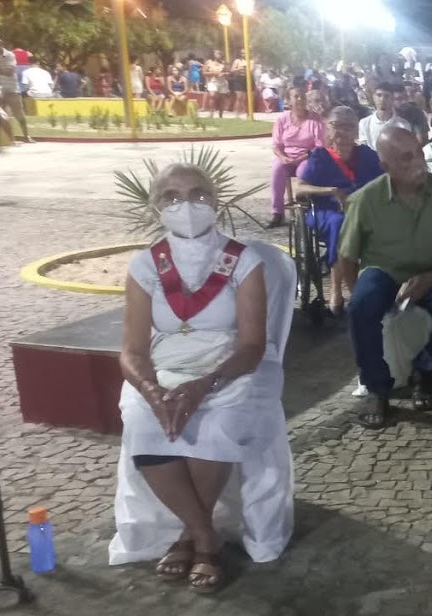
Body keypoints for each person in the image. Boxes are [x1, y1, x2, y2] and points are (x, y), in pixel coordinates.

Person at [115, 163, 288, 594]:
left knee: (217, 422)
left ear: (214, 201)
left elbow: (251, 345)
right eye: (172, 197)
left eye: (196, 194)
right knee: (142, 422)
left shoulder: (242, 261)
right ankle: (203, 533)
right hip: (166, 368)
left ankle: (190, 535)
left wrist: (203, 385)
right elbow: (132, 351)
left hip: (229, 366)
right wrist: (153, 391)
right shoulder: (145, 266)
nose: (185, 205)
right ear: (157, 208)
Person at [338, 127, 432, 427]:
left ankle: (424, 370)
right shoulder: (366, 199)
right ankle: (376, 387)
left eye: (417, 153)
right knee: (362, 306)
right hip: (384, 272)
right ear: (386, 166)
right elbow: (347, 257)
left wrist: (429, 280)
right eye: (405, 159)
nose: (418, 163)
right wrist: (358, 294)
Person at [295, 107, 384, 313]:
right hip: (326, 211)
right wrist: (331, 190)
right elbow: (299, 188)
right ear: (328, 128)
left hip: (362, 211)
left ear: (356, 130)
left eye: (349, 126)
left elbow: (385, 181)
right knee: (340, 223)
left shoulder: (367, 156)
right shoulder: (320, 156)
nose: (342, 131)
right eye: (337, 125)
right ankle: (337, 290)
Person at [268, 88, 326, 228]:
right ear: (289, 101)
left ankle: (305, 210)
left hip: (307, 156)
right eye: (296, 96)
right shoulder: (282, 119)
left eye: (302, 96)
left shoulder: (315, 119)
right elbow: (276, 145)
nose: (300, 99)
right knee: (277, 169)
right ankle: (277, 213)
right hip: (286, 156)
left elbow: (319, 146)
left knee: (304, 172)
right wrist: (283, 157)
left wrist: (301, 158)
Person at [0, 37, 30, 143]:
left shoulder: (9, 55)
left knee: (19, 113)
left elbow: (10, 71)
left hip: (11, 89)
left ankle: (26, 136)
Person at [358, 83, 413, 147]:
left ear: (392, 99)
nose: (382, 99)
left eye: (386, 96)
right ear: (374, 98)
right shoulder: (364, 123)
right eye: (379, 95)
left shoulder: (403, 125)